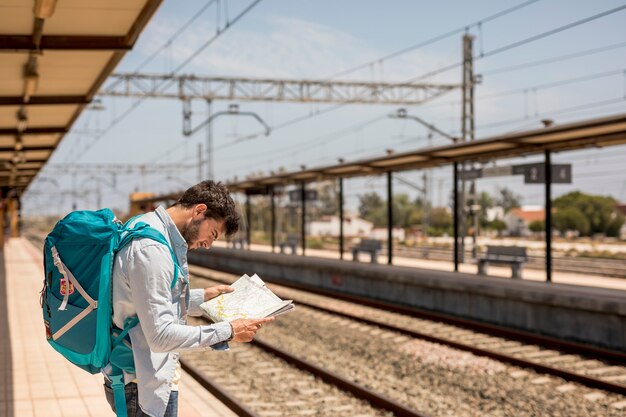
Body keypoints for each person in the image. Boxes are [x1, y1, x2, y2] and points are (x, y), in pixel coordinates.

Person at [104, 180, 274, 417]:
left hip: (144, 376)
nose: (208, 245)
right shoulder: (152, 249)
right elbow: (161, 336)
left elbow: (147, 299)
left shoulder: (148, 226)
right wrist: (229, 330)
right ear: (199, 211)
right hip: (140, 384)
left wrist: (203, 298)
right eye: (212, 234)